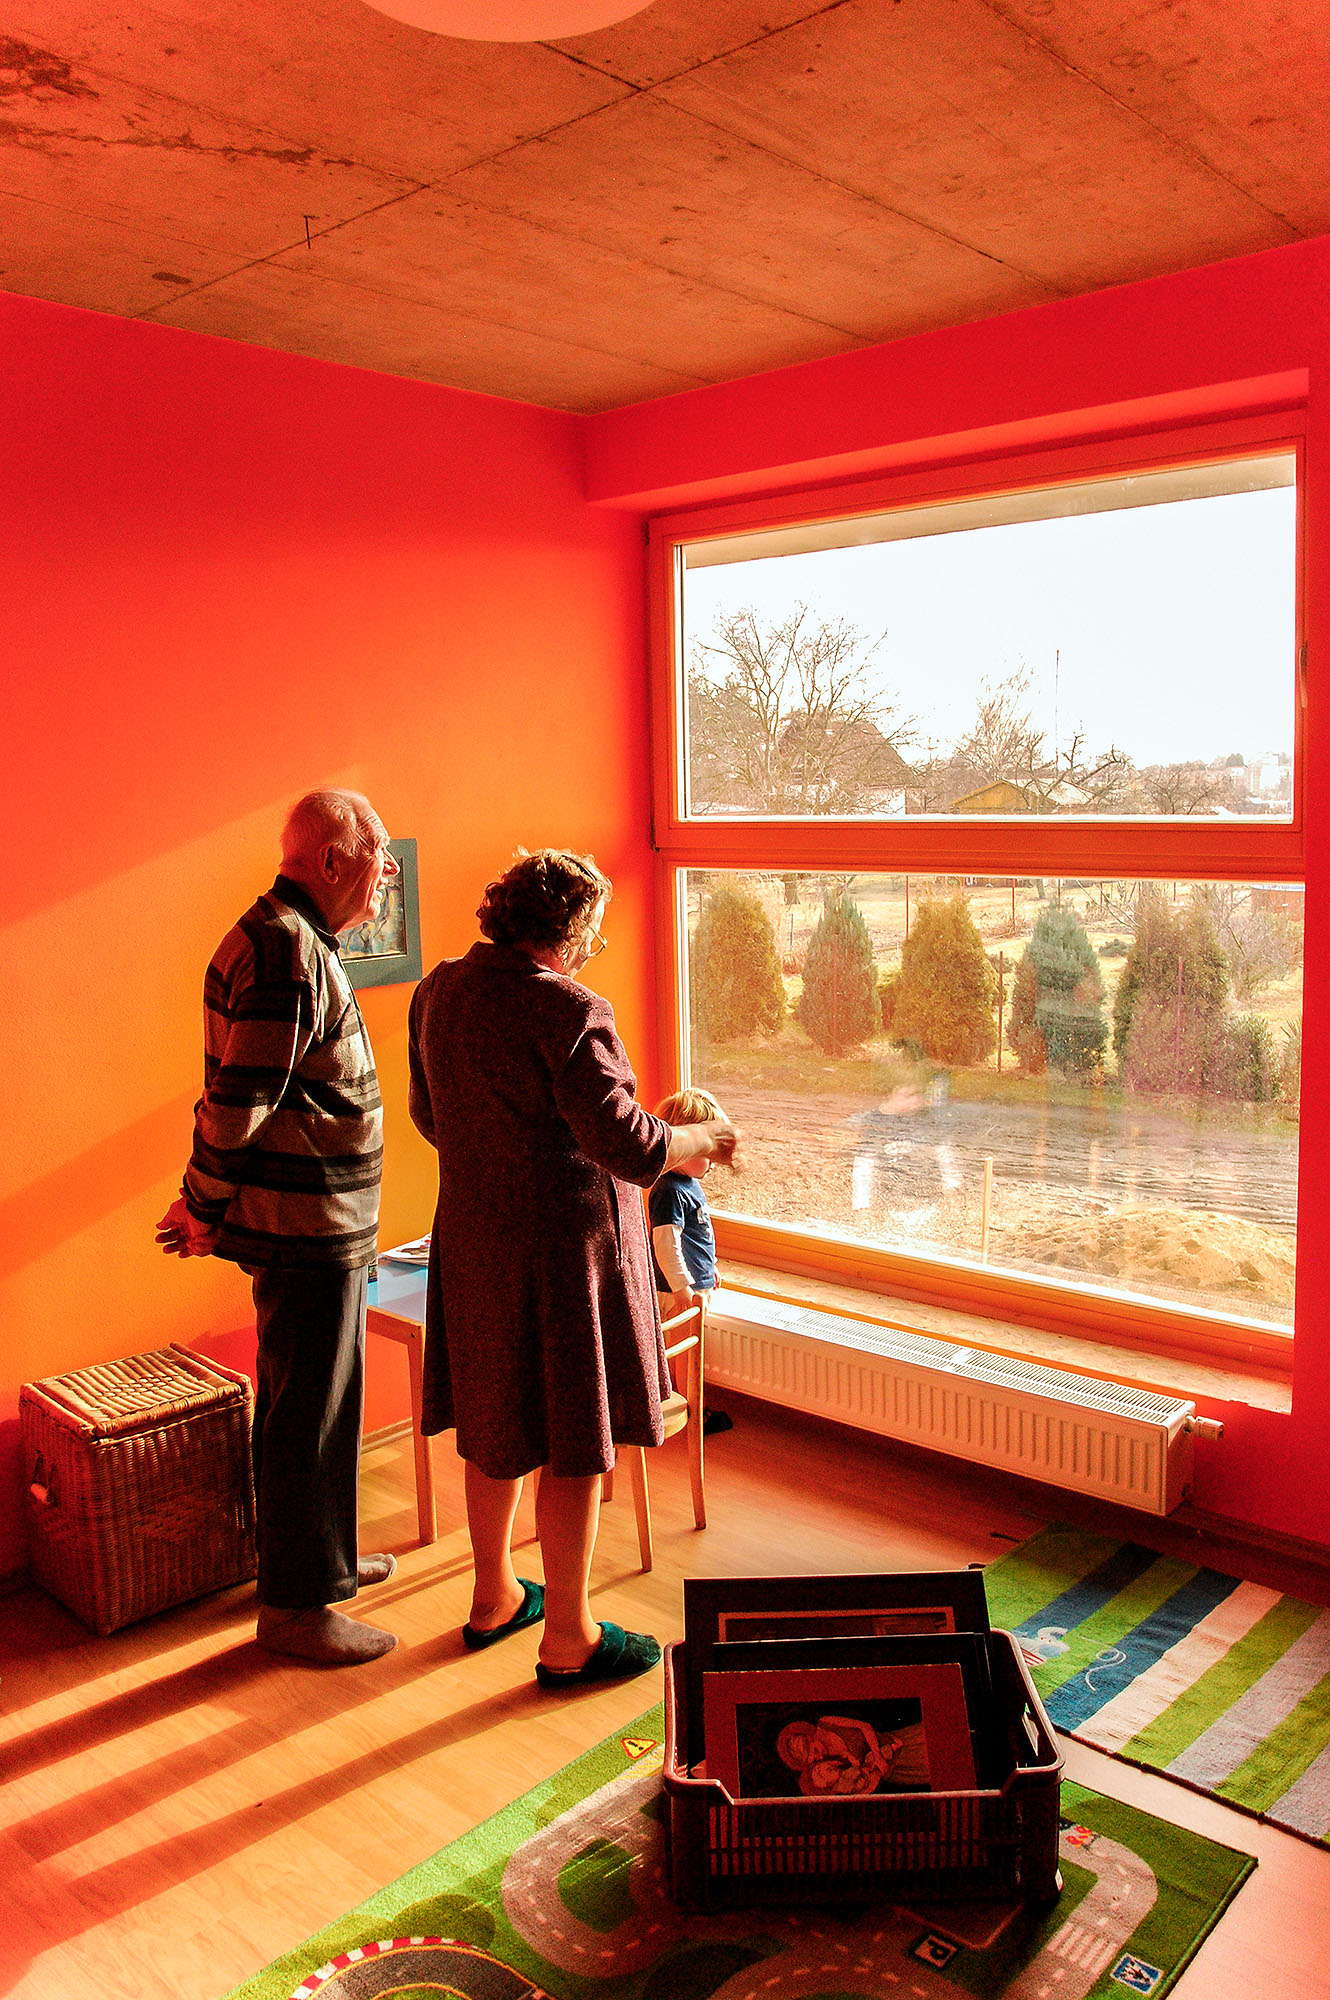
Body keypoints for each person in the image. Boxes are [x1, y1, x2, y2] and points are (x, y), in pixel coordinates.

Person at [408, 849, 737, 1689]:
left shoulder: (439, 991)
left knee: (495, 1417)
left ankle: (493, 1597)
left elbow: (429, 1115)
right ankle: (568, 1637)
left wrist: (500, 1158)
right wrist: (700, 1138)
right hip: (565, 1257)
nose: (597, 945)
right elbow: (629, 1145)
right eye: (594, 928)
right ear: (570, 926)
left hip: (476, 1240)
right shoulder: (570, 1008)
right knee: (573, 1436)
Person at [156, 788, 402, 1666]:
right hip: (307, 1232)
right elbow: (238, 1104)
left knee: (319, 1408)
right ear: (333, 860)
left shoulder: (289, 937)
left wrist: (204, 1203)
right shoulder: (286, 952)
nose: (389, 869)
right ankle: (298, 1609)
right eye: (377, 851)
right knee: (308, 1417)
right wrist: (201, 1204)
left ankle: (320, 1563)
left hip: (320, 1227)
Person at [649, 1086, 727, 1318]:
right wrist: (680, 1286)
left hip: (695, 1285)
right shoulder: (669, 1190)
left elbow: (697, 1234)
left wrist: (709, 1267)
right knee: (680, 1341)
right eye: (708, 1152)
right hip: (676, 1293)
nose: (714, 1160)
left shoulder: (689, 1184)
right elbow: (666, 1244)